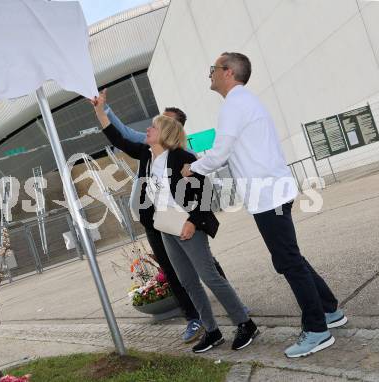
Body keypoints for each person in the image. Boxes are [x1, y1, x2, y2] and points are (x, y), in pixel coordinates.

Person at [181, 52, 347, 358]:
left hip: (268, 195)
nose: (210, 74)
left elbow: (219, 154)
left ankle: (317, 330)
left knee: (288, 262)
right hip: (270, 192)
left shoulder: (234, 104)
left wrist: (193, 168)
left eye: (213, 69)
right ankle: (329, 310)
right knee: (289, 258)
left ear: (228, 72)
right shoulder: (243, 102)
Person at [91, 97, 258, 353]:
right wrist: (100, 111)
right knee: (187, 281)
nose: (147, 130)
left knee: (209, 277)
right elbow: (119, 139)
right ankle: (212, 332)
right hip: (165, 228)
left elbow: (205, 191)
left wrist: (193, 222)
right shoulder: (147, 156)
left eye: (153, 127)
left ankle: (245, 324)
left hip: (187, 226)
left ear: (165, 133)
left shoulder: (182, 157)